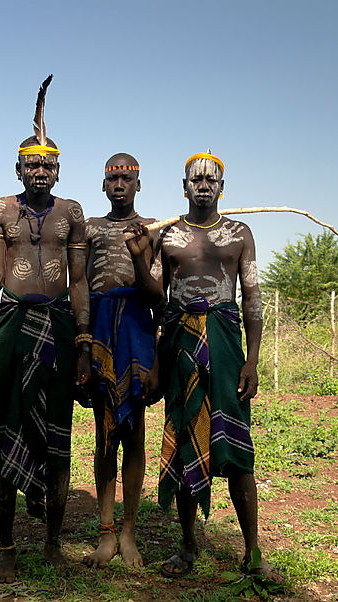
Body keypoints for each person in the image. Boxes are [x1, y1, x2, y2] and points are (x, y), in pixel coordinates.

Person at [148, 151, 277, 579]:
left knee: (238, 451)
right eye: (196, 179)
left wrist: (252, 360)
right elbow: (155, 301)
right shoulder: (167, 237)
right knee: (186, 435)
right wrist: (136, 257)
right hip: (180, 344)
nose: (203, 185)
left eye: (211, 179)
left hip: (224, 344)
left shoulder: (239, 233)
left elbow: (252, 297)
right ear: (184, 186)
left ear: (222, 187)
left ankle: (252, 550)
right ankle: (187, 547)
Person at [0, 96, 91, 582]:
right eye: (32, 165)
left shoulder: (72, 212)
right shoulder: (0, 210)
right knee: (8, 431)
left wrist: (84, 341)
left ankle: (51, 542)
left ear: (59, 171)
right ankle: (6, 545)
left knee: (56, 436)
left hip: (59, 326)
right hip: (12, 326)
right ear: (18, 169)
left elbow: (81, 279)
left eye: (49, 165)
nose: (41, 172)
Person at [81, 154, 163, 569]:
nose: (118, 185)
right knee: (104, 432)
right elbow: (78, 283)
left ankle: (129, 532)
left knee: (134, 431)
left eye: (126, 178)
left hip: (136, 329)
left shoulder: (153, 230)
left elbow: (157, 296)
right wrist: (81, 344)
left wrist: (139, 254)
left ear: (137, 185)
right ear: (103, 185)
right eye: (112, 178)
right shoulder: (90, 228)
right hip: (99, 328)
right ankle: (106, 531)